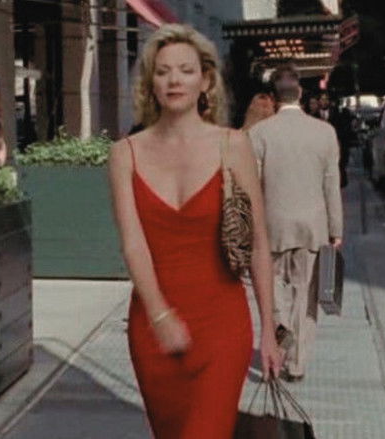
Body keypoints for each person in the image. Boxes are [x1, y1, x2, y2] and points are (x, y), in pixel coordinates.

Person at [107, 24, 282, 439]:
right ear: (150, 82)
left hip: (222, 327)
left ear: (205, 81)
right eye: (163, 71)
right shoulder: (124, 153)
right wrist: (160, 315)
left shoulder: (233, 145)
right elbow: (133, 245)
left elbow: (258, 242)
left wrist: (269, 331)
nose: (174, 80)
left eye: (185, 70)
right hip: (152, 329)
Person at [248, 64, 344, 382]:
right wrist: (336, 230)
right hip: (313, 227)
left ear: (274, 97)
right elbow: (331, 185)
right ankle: (297, 363)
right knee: (305, 294)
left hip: (272, 226)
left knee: (273, 290)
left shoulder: (259, 134)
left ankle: (280, 335)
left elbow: (252, 185)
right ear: (300, 92)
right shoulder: (324, 133)